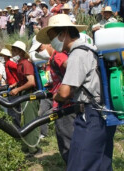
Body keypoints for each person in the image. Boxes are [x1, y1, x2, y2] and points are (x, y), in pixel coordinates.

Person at [37, 14, 116, 171]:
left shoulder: (77, 54)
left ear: (64, 32)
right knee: (101, 163)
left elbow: (65, 92)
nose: (52, 42)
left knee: (79, 164)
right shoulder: (90, 49)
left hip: (90, 116)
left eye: (53, 37)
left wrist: (56, 95)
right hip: (102, 113)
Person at [31, 35, 76, 163]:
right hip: (61, 103)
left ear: (48, 44)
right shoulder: (52, 58)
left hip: (65, 104)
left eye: (40, 48)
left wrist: (64, 92)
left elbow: (73, 69)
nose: (40, 52)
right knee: (63, 141)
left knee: (68, 143)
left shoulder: (58, 56)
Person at [6, 41, 41, 156]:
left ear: (20, 51)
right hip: (25, 95)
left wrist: (18, 89)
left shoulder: (25, 63)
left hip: (30, 95)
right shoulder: (20, 63)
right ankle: (28, 146)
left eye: (15, 50)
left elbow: (31, 82)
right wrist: (16, 85)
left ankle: (35, 149)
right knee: (26, 122)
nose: (12, 52)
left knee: (31, 122)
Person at [0, 48, 21, 128]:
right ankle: (12, 125)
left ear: (6, 56)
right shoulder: (6, 64)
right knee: (11, 107)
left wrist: (16, 83)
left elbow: (20, 71)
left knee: (14, 108)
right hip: (10, 86)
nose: (2, 57)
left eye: (3, 55)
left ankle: (16, 126)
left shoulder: (10, 63)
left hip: (14, 87)